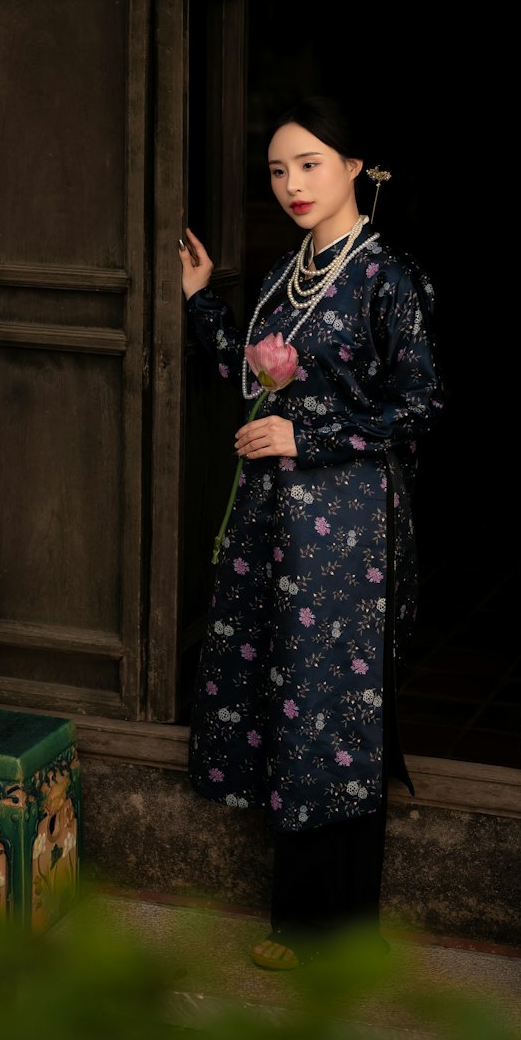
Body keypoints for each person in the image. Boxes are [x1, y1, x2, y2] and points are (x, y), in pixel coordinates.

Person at [178, 95, 442, 971]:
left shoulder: (387, 277)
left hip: (349, 531)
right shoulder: (279, 276)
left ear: (355, 167)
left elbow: (421, 409)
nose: (292, 183)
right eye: (279, 169)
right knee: (285, 699)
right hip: (275, 526)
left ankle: (343, 932)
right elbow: (245, 375)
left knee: (338, 707)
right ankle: (293, 922)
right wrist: (202, 301)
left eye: (311, 164)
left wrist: (310, 436)